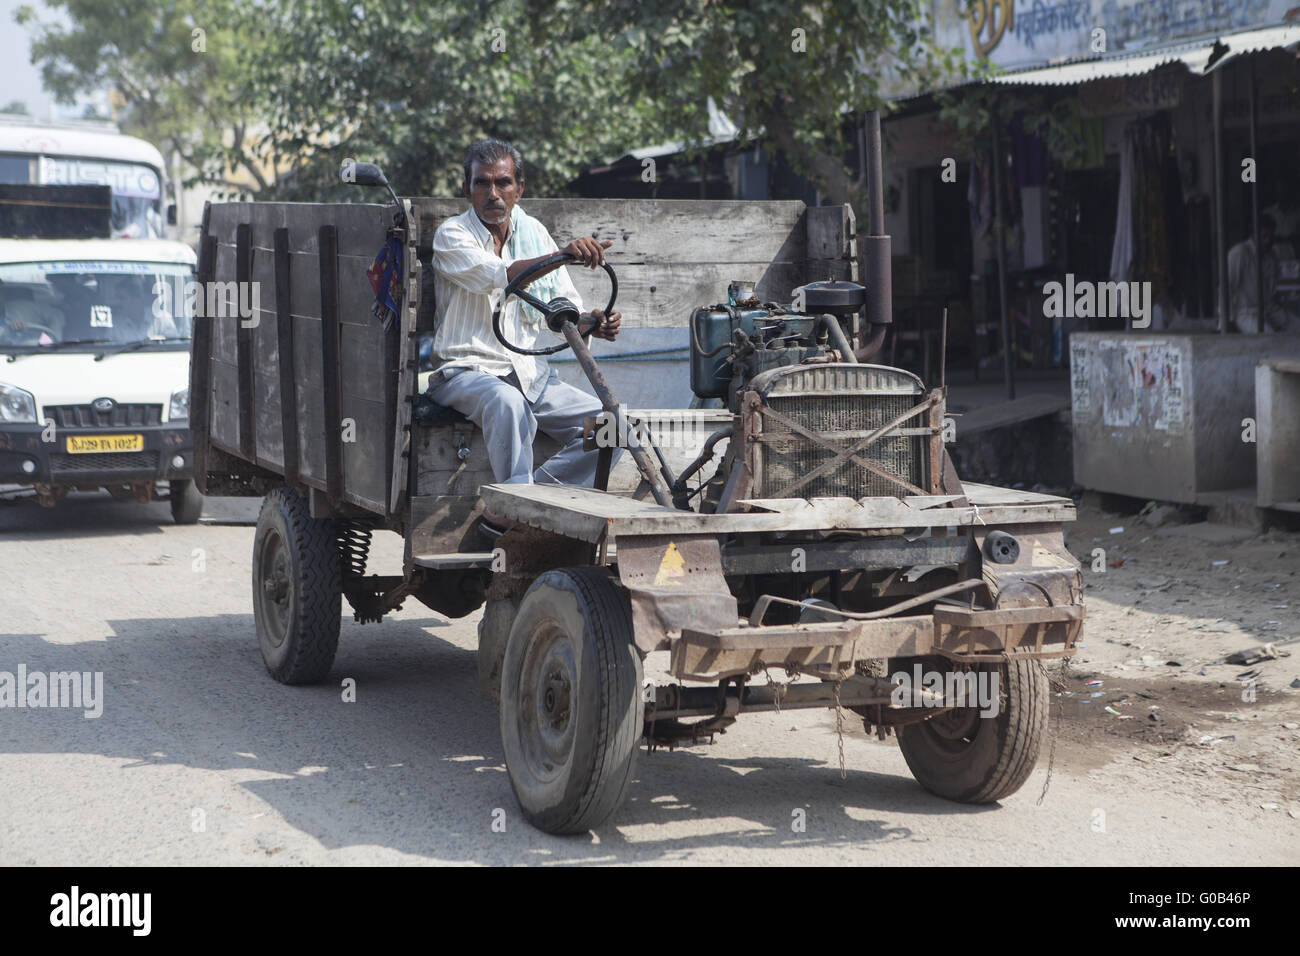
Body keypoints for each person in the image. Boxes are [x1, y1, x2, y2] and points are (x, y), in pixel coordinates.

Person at [427, 139, 621, 532]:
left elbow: (561, 307)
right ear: (467, 189)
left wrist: (591, 323)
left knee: (613, 425)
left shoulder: (533, 230)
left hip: (533, 375)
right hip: (467, 371)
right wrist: (565, 254)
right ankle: (518, 503)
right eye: (482, 184)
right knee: (508, 402)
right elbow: (502, 276)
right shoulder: (451, 235)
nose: (493, 194)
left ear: (520, 189)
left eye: (503, 183)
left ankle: (524, 502)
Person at [1227, 214, 1300, 333]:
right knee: (1268, 336)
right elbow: (1227, 287)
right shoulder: (1239, 253)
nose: (1267, 241)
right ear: (1253, 234)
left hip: (1270, 310)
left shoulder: (1271, 256)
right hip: (1247, 312)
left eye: (1270, 236)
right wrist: (1227, 320)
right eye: (1263, 236)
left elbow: (1273, 288)